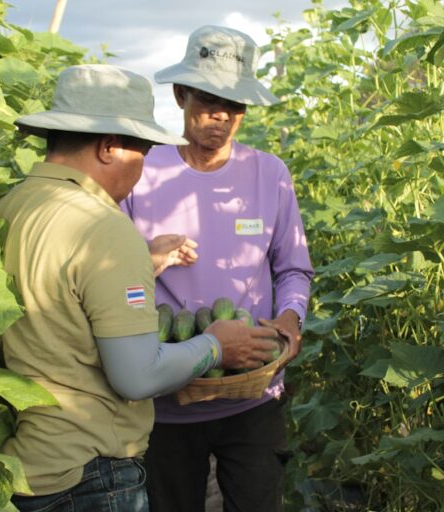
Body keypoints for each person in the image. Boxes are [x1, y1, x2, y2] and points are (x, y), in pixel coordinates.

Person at [0, 64, 280, 512]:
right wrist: (214, 347)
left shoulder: (10, 208)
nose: (144, 169)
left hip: (23, 464)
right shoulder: (105, 228)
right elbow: (136, 374)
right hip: (88, 470)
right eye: (144, 151)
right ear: (109, 147)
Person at [121, 26, 314, 511]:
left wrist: (291, 319)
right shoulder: (142, 173)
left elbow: (293, 268)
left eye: (235, 105)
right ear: (181, 95)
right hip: (167, 398)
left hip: (253, 390)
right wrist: (149, 258)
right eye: (209, 101)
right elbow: (112, 279)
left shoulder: (269, 173)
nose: (223, 116)